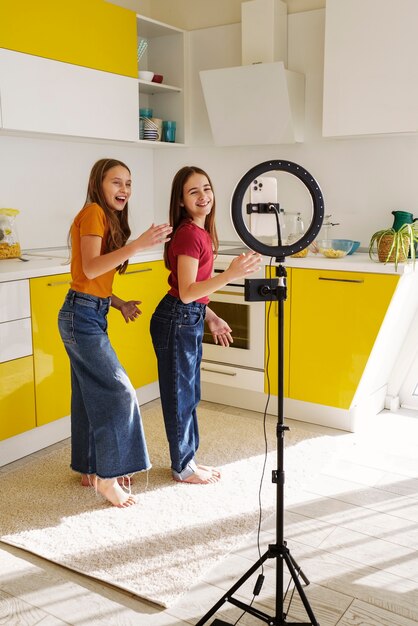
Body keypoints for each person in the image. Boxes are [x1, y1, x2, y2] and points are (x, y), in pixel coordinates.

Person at [58, 158, 172, 508]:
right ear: (99, 184)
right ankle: (109, 476)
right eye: (116, 182)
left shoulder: (103, 216)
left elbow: (90, 278)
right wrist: (137, 245)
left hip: (88, 312)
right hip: (82, 317)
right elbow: (91, 266)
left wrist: (118, 302)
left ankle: (90, 468)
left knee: (88, 395)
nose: (124, 190)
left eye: (128, 183)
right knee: (119, 392)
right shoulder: (93, 212)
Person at [150, 166, 261, 484]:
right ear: (182, 201)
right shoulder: (188, 234)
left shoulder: (199, 233)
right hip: (176, 320)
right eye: (193, 191)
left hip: (187, 318)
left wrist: (210, 316)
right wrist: (230, 274)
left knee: (188, 394)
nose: (203, 196)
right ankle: (183, 467)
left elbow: (192, 290)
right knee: (179, 396)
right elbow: (185, 292)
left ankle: (188, 460)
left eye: (207, 188)